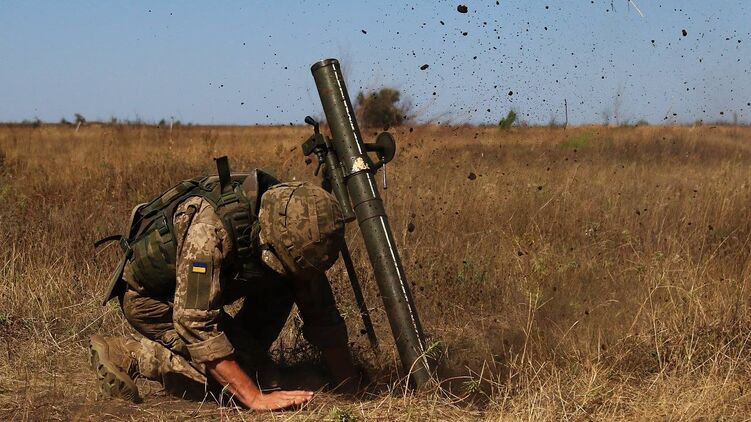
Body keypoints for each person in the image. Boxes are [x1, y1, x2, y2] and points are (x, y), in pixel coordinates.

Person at [89, 158, 357, 411]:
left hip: (205, 293)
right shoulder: (208, 232)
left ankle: (248, 356)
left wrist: (350, 386)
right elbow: (195, 324)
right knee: (245, 382)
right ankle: (133, 355)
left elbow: (320, 310)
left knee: (278, 307)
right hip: (153, 300)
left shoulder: (293, 224)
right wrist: (254, 397)